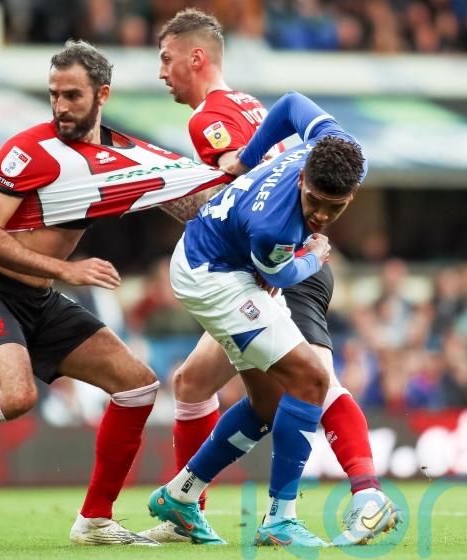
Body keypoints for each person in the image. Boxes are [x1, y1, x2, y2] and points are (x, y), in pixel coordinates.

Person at [0, 39, 229, 547]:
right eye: (53, 95)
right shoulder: (27, 150)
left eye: (72, 95)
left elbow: (192, 197)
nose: (60, 107)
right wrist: (65, 270)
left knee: (138, 386)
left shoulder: (128, 155)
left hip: (39, 300)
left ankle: (94, 520)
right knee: (17, 395)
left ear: (103, 94)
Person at [140, 8, 397, 547]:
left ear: (196, 56)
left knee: (310, 382)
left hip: (274, 264)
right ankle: (197, 505)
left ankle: (363, 492)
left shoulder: (208, 120)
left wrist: (199, 181)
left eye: (166, 59)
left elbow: (220, 200)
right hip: (257, 262)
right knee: (239, 386)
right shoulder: (251, 107)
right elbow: (248, 207)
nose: (161, 73)